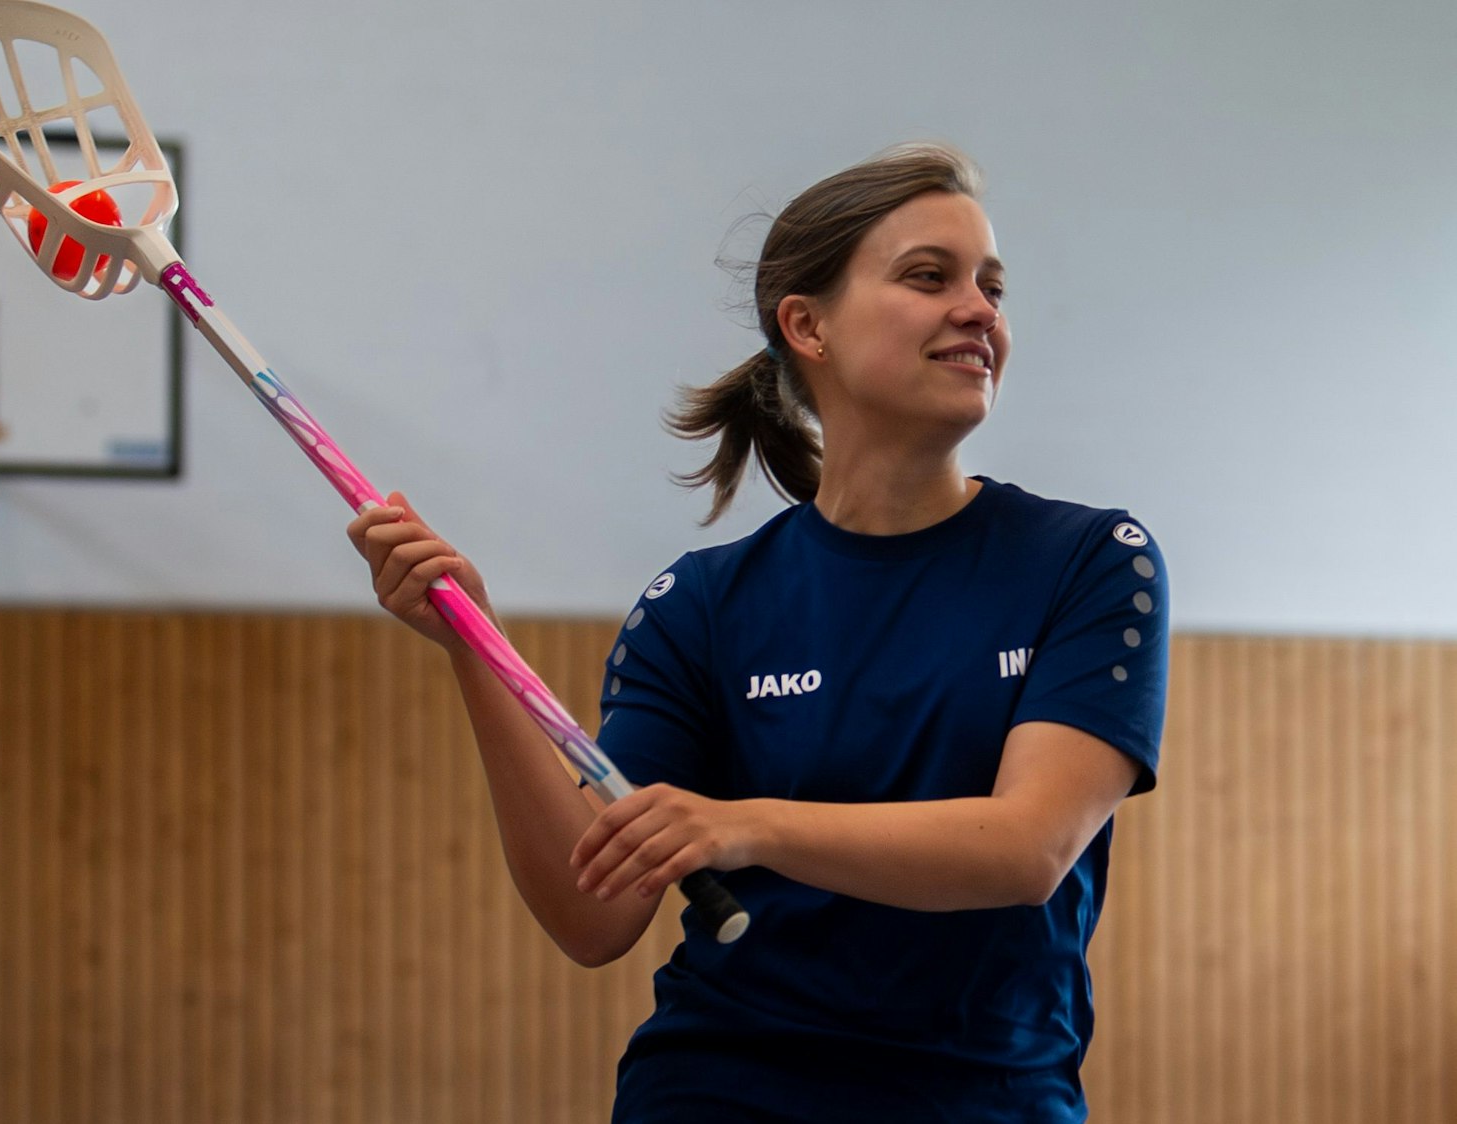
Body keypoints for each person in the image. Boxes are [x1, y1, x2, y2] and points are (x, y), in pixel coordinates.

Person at [346, 142, 1168, 1122]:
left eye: (991, 284)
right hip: (716, 1092)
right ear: (805, 324)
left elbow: (1027, 845)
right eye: (928, 276)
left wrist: (744, 822)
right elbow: (593, 910)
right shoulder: (699, 605)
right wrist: (474, 652)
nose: (978, 309)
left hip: (985, 1098)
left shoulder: (1087, 561)